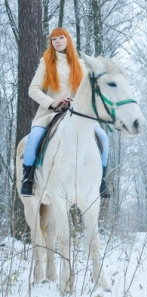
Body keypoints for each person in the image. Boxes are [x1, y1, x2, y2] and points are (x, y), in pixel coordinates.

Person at [21, 27, 110, 198]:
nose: (58, 41)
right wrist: (52, 103)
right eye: (54, 39)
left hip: (78, 113)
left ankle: (102, 180)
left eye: (61, 38)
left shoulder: (80, 64)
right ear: (51, 43)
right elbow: (33, 89)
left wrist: (77, 103)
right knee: (33, 138)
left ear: (68, 40)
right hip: (51, 113)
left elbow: (88, 92)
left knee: (103, 138)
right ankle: (28, 179)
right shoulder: (46, 62)